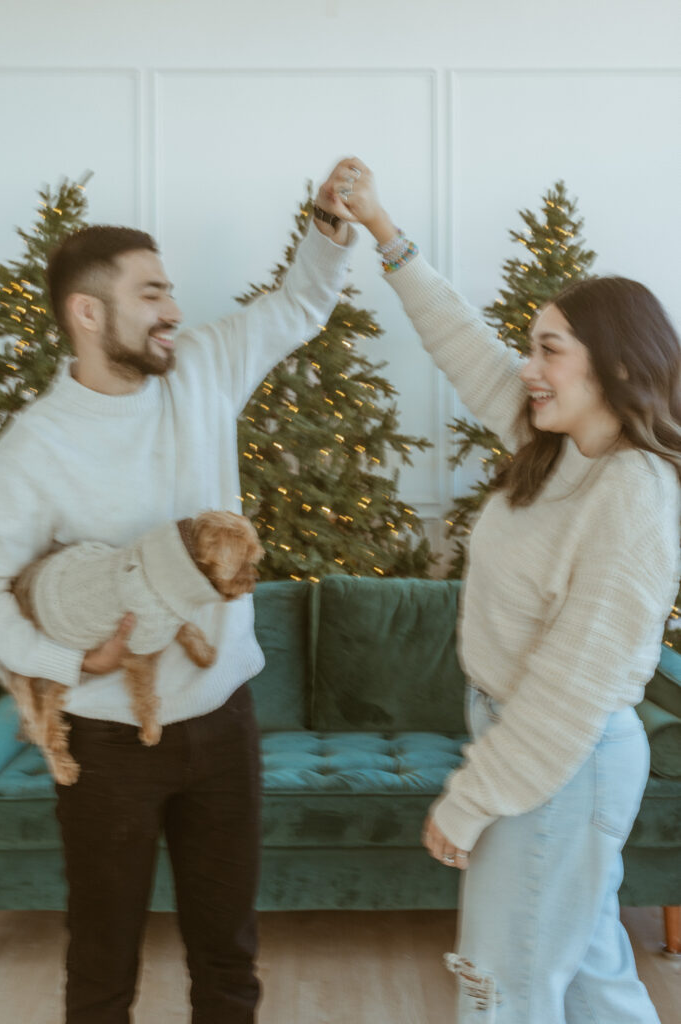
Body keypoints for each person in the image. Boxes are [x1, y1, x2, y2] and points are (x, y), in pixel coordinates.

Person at [0, 159, 359, 1024]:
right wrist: (69, 657)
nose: (174, 312)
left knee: (229, 959)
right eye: (152, 293)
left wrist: (327, 227)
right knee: (101, 970)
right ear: (88, 313)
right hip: (106, 742)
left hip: (226, 720)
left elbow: (298, 307)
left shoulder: (198, 368)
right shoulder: (34, 448)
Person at [321, 160, 681, 1022]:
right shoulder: (559, 442)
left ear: (618, 367)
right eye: (530, 348)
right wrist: (383, 230)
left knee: (499, 984)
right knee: (591, 973)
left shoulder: (632, 494)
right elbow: (459, 341)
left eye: (548, 350)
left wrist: (474, 797)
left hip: (561, 760)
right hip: (540, 748)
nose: (526, 366)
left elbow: (574, 686)